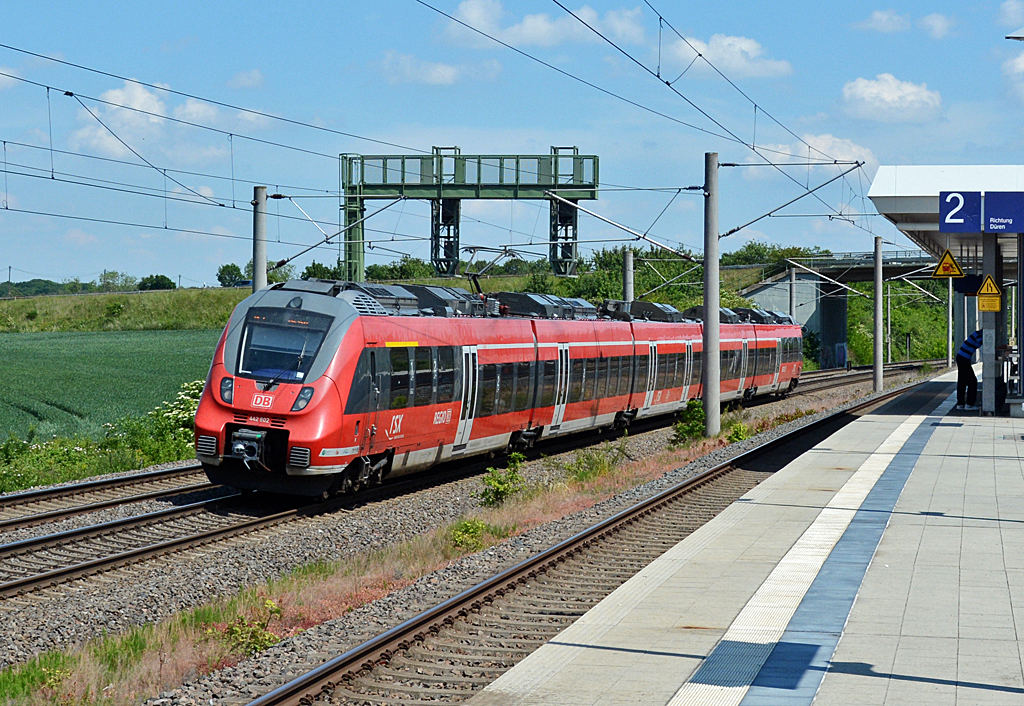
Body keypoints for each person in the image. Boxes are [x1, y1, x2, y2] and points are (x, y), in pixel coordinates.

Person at [956, 329, 983, 409]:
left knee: (962, 381)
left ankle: (960, 403)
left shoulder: (978, 334)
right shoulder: (978, 335)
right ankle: (969, 403)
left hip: (962, 357)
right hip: (964, 358)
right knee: (972, 381)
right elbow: (987, 342)